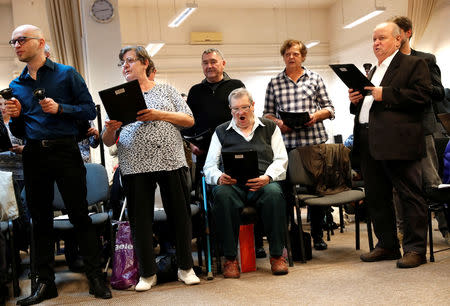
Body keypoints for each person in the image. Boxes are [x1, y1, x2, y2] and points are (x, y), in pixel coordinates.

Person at [4, 24, 111, 304]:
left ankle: (96, 278)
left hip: (65, 151)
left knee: (79, 215)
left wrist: (60, 108)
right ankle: (44, 284)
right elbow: (20, 130)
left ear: (40, 42)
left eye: (21, 40)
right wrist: (14, 117)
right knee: (38, 221)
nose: (16, 45)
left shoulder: (67, 74)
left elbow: (89, 110)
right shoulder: (17, 86)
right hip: (34, 154)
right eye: (13, 42)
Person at [102, 46, 200, 291]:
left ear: (145, 63)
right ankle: (147, 273)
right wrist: (111, 129)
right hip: (134, 163)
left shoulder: (166, 90)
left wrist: (158, 114)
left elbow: (189, 120)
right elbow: (107, 140)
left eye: (129, 61)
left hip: (170, 159)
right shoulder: (117, 96)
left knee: (179, 214)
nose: (125, 66)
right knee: (140, 220)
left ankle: (186, 268)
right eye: (122, 63)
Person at [348, 22, 432, 268]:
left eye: (381, 38)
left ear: (398, 40)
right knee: (376, 197)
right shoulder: (375, 69)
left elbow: (422, 97)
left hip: (398, 142)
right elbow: (369, 106)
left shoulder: (414, 64)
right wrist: (355, 102)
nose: (376, 43)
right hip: (368, 141)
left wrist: (387, 94)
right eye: (373, 39)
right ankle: (387, 245)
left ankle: (415, 249)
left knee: (409, 196)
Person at [204, 87, 289, 278]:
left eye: (244, 107)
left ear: (253, 106)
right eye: (235, 109)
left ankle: (277, 256)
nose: (240, 113)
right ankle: (230, 259)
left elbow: (281, 159)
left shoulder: (270, 127)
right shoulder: (220, 131)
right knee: (221, 195)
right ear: (230, 110)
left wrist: (267, 177)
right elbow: (209, 165)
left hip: (263, 182)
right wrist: (218, 177)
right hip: (232, 184)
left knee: (275, 194)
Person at [263, 39, 335, 251]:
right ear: (283, 57)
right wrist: (278, 123)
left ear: (303, 56)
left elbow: (330, 108)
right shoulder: (274, 82)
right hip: (286, 145)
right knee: (284, 192)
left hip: (314, 144)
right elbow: (266, 114)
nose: (291, 57)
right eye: (287, 54)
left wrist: (315, 116)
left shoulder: (315, 78)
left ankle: (317, 234)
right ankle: (289, 234)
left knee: (316, 191)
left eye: (295, 54)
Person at [389, 15, 448, 241]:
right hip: (395, 132)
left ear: (407, 33)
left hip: (422, 129)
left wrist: (417, 87)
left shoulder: (426, 59)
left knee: (432, 181)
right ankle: (405, 232)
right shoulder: (389, 65)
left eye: (397, 32)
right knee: (399, 186)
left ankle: (445, 228)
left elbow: (439, 92)